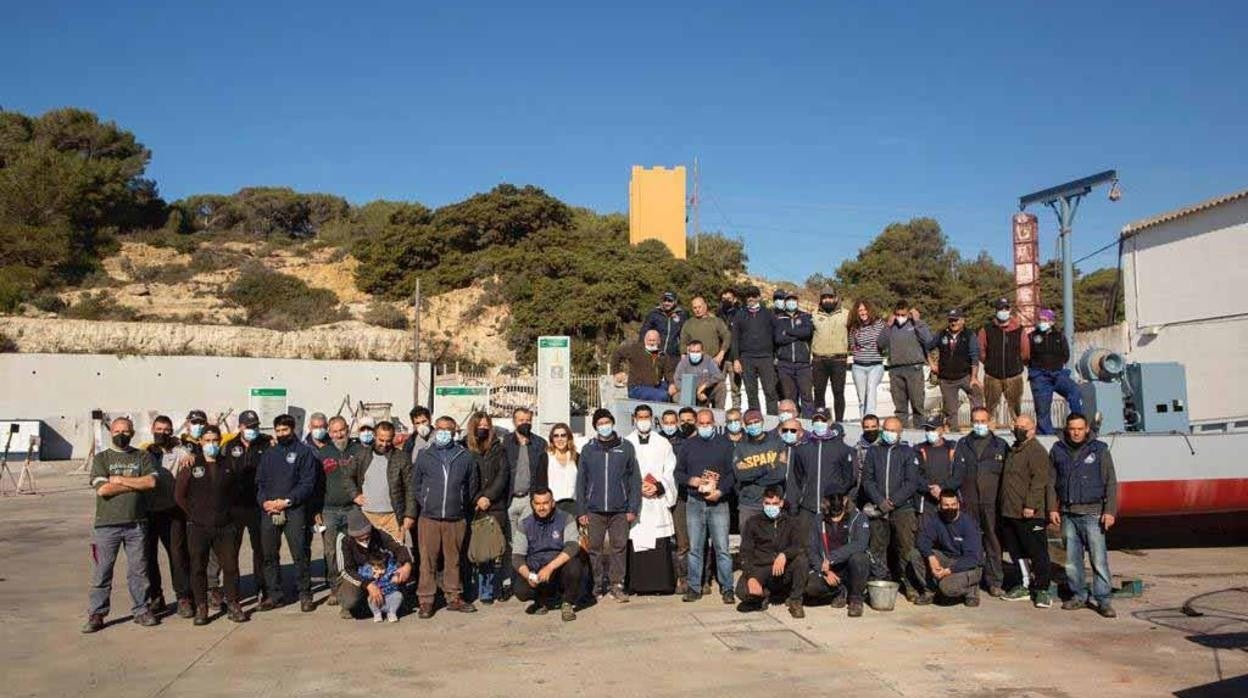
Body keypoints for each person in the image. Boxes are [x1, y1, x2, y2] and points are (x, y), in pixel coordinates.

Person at [82, 417, 160, 633]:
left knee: (138, 571)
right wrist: (135, 484)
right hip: (107, 526)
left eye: (125, 431)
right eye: (117, 431)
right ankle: (97, 613)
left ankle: (141, 610)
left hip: (136, 524)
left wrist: (119, 480)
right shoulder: (102, 458)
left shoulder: (142, 456)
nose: (121, 434)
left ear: (132, 433)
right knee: (102, 571)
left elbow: (151, 482)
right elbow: (102, 490)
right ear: (111, 433)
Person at [1049, 413, 1118, 618]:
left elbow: (1111, 482)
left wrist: (1110, 511)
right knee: (1071, 560)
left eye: (1080, 428)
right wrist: (1052, 508)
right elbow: (1051, 483)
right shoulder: (1057, 450)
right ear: (1066, 429)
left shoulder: (1100, 450)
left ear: (1087, 428)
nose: (1076, 432)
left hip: (1093, 514)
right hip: (1068, 514)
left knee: (1099, 560)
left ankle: (1103, 600)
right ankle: (1078, 595)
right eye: (1072, 428)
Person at [175, 425, 246, 624]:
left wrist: (228, 514)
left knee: (230, 566)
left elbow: (236, 492)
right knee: (198, 567)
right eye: (207, 441)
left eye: (215, 440)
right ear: (201, 442)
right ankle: (201, 607)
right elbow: (180, 496)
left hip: (225, 526)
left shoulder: (228, 464)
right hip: (198, 527)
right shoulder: (191, 464)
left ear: (220, 440)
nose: (211, 444)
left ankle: (233, 603)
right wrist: (195, 514)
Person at [412, 415, 479, 618]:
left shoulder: (465, 456)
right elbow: (416, 485)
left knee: (454, 560)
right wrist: (427, 501)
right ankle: (426, 600)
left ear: (454, 431)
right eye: (439, 428)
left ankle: (454, 597)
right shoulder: (425, 455)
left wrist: (458, 503)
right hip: (429, 518)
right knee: (427, 561)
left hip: (455, 518)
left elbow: (471, 486)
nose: (442, 432)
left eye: (447, 429)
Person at [862, 416, 930, 604]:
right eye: (886, 429)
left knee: (905, 548)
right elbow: (867, 480)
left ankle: (910, 585)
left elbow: (911, 482)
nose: (889, 433)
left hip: (903, 508)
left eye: (893, 430)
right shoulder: (874, 452)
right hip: (878, 508)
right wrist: (880, 501)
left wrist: (893, 502)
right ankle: (880, 584)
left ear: (900, 433)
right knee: (877, 548)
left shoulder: (908, 453)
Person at [576, 409, 641, 602]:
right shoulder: (589, 448)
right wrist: (582, 510)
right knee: (594, 548)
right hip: (594, 509)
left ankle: (616, 584)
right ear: (596, 426)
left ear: (612, 423)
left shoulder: (626, 447)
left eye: (607, 422)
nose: (604, 426)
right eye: (600, 423)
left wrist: (632, 508)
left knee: (618, 548)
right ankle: (596, 584)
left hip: (620, 509)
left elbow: (634, 480)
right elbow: (581, 481)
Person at [256, 413, 318, 612]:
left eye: (285, 430)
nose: (282, 434)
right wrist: (265, 502)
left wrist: (287, 501)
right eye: (278, 430)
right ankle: (275, 595)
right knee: (269, 555)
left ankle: (305, 593)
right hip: (270, 510)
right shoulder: (269, 454)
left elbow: (307, 483)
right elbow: (260, 482)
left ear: (293, 430)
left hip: (294, 509)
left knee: (299, 552)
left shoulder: (304, 452)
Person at [674, 408, 737, 604]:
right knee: (695, 548)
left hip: (719, 503)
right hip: (694, 502)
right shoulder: (688, 445)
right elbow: (678, 473)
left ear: (714, 423)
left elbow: (732, 474)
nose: (704, 426)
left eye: (707, 423)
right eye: (700, 424)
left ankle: (727, 588)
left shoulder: (725, 444)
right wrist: (690, 480)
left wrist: (720, 491)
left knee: (722, 548)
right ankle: (694, 587)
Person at [952, 406, 1009, 597]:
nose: (979, 425)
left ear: (990, 421)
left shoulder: (1000, 445)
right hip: (969, 502)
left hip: (992, 503)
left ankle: (994, 581)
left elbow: (1006, 477)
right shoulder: (963, 443)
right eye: (976, 421)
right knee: (970, 543)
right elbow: (957, 475)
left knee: (993, 542)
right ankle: (970, 583)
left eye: (983, 421)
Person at [216, 410, 270, 605]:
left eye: (255, 426)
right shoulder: (229, 446)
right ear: (240, 427)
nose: (252, 430)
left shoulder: (266, 444)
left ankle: (263, 589)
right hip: (235, 508)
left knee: (261, 551)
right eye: (248, 426)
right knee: (231, 553)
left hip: (258, 506)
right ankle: (233, 594)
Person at [999, 414, 1054, 608]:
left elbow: (1040, 481)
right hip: (1010, 511)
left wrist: (1031, 505)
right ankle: (1024, 584)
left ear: (1033, 429)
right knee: (1017, 552)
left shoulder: (1036, 451)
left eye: (1024, 426)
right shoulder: (1014, 449)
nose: (1019, 429)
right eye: (1017, 425)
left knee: (1037, 552)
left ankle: (1042, 589)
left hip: (1029, 513)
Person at [143, 415, 193, 618]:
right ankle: (156, 597)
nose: (162, 432)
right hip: (149, 512)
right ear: (152, 429)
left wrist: (190, 454)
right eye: (159, 428)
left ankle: (183, 597)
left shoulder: (180, 451)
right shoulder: (145, 452)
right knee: (148, 557)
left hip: (172, 512)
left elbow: (190, 457)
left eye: (166, 429)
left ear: (171, 431)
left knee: (178, 555)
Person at [625, 405, 678, 595]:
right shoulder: (627, 443)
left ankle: (661, 584)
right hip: (637, 500)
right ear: (634, 419)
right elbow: (623, 472)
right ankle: (637, 584)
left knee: (658, 544)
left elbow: (670, 470)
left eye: (647, 417)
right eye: (640, 417)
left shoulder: (663, 443)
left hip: (657, 500)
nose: (643, 420)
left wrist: (658, 486)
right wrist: (636, 487)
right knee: (638, 540)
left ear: (652, 419)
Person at [513, 488, 588, 622]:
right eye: (537, 503)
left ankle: (567, 602)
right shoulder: (525, 524)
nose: (541, 507)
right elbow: (517, 556)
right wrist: (528, 575)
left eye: (545, 503)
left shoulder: (566, 518)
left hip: (558, 568)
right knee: (520, 589)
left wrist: (550, 567)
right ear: (532, 504)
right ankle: (541, 601)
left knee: (575, 566)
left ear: (553, 503)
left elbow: (572, 546)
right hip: (536, 569)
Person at [311, 415, 363, 606]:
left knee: (355, 550)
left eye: (342, 430)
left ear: (348, 430)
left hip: (353, 510)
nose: (339, 434)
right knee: (331, 552)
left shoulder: (359, 451)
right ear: (329, 433)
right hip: (329, 511)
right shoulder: (322, 453)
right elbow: (315, 484)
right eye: (334, 431)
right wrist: (315, 510)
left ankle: (355, 586)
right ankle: (335, 588)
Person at [736, 486, 807, 618]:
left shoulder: (791, 522)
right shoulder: (753, 523)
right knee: (742, 592)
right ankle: (764, 595)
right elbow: (745, 552)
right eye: (767, 503)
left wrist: (784, 554)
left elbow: (798, 545)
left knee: (801, 560)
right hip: (762, 567)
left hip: (783, 569)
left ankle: (795, 600)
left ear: (781, 503)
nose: (771, 507)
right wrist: (751, 576)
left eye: (774, 503)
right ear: (763, 503)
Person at [336, 508, 413, 622]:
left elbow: (399, 547)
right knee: (350, 601)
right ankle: (358, 605)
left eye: (367, 535)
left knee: (402, 573)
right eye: (360, 537)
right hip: (358, 577)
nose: (365, 540)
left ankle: (391, 603)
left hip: (382, 574)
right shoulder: (343, 539)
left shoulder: (378, 531)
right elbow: (345, 570)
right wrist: (368, 585)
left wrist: (407, 565)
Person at [503, 407, 548, 597]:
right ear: (514, 422)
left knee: (528, 543)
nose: (525, 423)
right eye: (521, 420)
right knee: (510, 544)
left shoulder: (539, 443)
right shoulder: (505, 443)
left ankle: (527, 580)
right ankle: (507, 582)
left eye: (528, 420)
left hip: (530, 500)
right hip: (510, 500)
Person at [348, 420, 415, 547]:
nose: (384, 444)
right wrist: (355, 495)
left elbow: (410, 488)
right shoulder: (362, 456)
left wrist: (410, 515)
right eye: (381, 440)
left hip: (393, 517)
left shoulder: (401, 458)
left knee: (397, 552)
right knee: (373, 555)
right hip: (368, 515)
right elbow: (348, 477)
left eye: (388, 441)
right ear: (374, 435)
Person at [466, 412, 509, 604]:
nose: (483, 428)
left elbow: (503, 475)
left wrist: (488, 497)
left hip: (495, 506)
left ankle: (494, 588)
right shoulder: (465, 448)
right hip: (475, 507)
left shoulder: (498, 448)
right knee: (480, 551)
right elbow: (466, 479)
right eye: (479, 425)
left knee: (496, 551)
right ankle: (482, 590)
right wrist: (477, 499)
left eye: (486, 425)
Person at [791, 408, 855, 537]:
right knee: (806, 544)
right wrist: (799, 499)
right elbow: (797, 477)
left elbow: (849, 477)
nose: (819, 423)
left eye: (823, 420)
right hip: (809, 506)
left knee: (833, 544)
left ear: (829, 422)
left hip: (833, 508)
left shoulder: (841, 448)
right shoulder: (802, 448)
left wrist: (837, 495)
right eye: (816, 420)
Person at [806, 494, 871, 617]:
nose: (835, 519)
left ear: (845, 500)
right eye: (833, 515)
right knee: (810, 587)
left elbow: (861, 544)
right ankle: (839, 592)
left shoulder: (859, 517)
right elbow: (812, 549)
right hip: (829, 570)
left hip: (849, 568)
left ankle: (856, 599)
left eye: (838, 514)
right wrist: (824, 571)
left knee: (859, 558)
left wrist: (832, 558)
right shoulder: (819, 519)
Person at [918, 489, 985, 606]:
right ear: (940, 506)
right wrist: (931, 557)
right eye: (946, 505)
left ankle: (971, 590)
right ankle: (930, 591)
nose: (950, 508)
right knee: (916, 555)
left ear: (958, 504)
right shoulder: (936, 519)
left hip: (969, 566)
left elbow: (973, 557)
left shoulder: (968, 524)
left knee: (947, 587)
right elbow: (922, 539)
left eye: (954, 504)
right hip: (947, 558)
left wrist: (948, 571)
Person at [877, 301, 934, 428]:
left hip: (914, 368)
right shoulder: (890, 327)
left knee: (917, 405)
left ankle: (919, 432)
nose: (900, 317)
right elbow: (880, 343)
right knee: (900, 408)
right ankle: (902, 434)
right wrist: (888, 325)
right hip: (895, 370)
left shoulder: (916, 324)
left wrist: (918, 321)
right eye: (897, 314)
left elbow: (929, 340)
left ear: (909, 313)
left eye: (903, 315)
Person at [1028, 309, 1083, 435]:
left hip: (1058, 374)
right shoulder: (1031, 336)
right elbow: (1025, 355)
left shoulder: (1059, 336)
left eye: (1045, 320)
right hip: (1040, 376)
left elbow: (1066, 354)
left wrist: (1057, 366)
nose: (1042, 322)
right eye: (1040, 320)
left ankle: (1076, 422)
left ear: (1052, 322)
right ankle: (1046, 433)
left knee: (1074, 391)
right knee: (1042, 408)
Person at [732, 410, 788, 529]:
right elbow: (741, 475)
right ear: (745, 426)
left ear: (762, 422)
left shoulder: (776, 442)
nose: (753, 425)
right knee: (748, 543)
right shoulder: (741, 447)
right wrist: (767, 467)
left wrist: (753, 475)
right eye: (749, 423)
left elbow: (780, 474)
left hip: (773, 502)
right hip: (749, 504)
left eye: (756, 421)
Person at [979, 298, 1030, 426]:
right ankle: (988, 433)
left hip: (1014, 376)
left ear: (1010, 310)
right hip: (992, 376)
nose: (1003, 311)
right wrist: (990, 363)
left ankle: (1019, 432)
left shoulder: (1019, 330)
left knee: (1016, 408)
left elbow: (1025, 352)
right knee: (990, 408)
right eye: (1000, 308)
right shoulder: (986, 329)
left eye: (1006, 308)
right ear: (996, 311)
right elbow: (981, 351)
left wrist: (1016, 363)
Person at [930, 308, 983, 430]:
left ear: (962, 321)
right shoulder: (941, 334)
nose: (953, 323)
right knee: (951, 410)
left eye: (956, 320)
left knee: (977, 395)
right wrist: (931, 364)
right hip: (946, 379)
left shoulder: (969, 335)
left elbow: (974, 356)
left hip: (965, 376)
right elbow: (928, 347)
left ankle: (977, 425)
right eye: (951, 320)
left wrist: (974, 377)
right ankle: (953, 431)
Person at [733, 286, 780, 415]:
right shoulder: (740, 314)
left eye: (754, 295)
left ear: (759, 297)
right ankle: (755, 419)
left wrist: (776, 355)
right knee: (751, 392)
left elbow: (777, 335)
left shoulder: (769, 313)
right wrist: (736, 359)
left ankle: (773, 421)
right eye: (748, 296)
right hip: (747, 359)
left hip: (766, 358)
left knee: (770, 391)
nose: (751, 298)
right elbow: (735, 338)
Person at [773, 290, 815, 416]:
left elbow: (807, 332)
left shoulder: (805, 316)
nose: (791, 302)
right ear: (785, 302)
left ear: (797, 301)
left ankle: (807, 424)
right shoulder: (778, 319)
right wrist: (797, 333)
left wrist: (789, 332)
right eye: (789, 300)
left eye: (794, 300)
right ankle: (793, 424)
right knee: (790, 398)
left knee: (807, 396)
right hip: (785, 365)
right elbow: (778, 339)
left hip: (804, 365)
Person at [811, 288, 851, 422]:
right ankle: (820, 421)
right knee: (818, 392)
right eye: (824, 297)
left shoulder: (846, 314)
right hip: (819, 360)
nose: (827, 300)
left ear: (835, 298)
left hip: (839, 360)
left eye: (830, 297)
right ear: (821, 299)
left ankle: (839, 422)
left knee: (838, 392)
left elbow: (854, 333)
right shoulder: (814, 314)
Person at [916, 415, 962, 520]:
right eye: (927, 429)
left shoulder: (953, 447)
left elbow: (958, 475)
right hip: (926, 503)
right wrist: (930, 488)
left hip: (949, 502)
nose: (929, 432)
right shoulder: (918, 449)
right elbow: (915, 475)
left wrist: (942, 489)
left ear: (942, 430)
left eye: (933, 429)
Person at [848, 300, 887, 420]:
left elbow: (885, 340)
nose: (863, 313)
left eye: (865, 310)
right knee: (861, 397)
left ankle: (871, 421)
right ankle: (863, 423)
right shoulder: (855, 327)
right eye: (860, 310)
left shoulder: (879, 323)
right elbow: (852, 344)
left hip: (875, 365)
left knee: (870, 391)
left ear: (870, 310)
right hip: (858, 366)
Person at [612, 329, 675, 402]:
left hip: (655, 386)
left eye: (654, 340)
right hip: (637, 388)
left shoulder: (663, 355)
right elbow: (617, 354)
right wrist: (617, 372)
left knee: (677, 390)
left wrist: (672, 384)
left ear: (659, 341)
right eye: (649, 340)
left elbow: (669, 372)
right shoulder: (635, 349)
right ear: (645, 340)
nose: (651, 343)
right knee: (663, 395)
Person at [670, 339, 727, 408]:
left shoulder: (708, 360)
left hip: (706, 391)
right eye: (692, 351)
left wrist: (705, 386)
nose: (695, 354)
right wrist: (695, 392)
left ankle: (719, 412)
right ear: (688, 352)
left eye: (697, 351)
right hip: (688, 392)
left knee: (721, 386)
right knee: (676, 397)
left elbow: (719, 376)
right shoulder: (683, 362)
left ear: (702, 351)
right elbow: (677, 380)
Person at [679, 295, 732, 366]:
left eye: (699, 307)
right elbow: (683, 342)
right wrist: (683, 358)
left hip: (712, 362)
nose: (697, 310)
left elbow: (727, 337)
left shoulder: (716, 321)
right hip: (693, 363)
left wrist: (721, 354)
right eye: (695, 308)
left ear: (705, 306)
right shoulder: (688, 324)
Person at [717, 287, 744, 409]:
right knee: (718, 387)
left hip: (735, 357)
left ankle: (736, 412)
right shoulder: (718, 314)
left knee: (735, 389)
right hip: (720, 356)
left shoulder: (741, 313)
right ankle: (717, 410)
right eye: (723, 299)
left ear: (735, 299)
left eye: (729, 298)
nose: (726, 301)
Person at [640, 290, 686, 357]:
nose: (667, 303)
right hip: (655, 352)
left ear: (675, 302)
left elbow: (684, 335)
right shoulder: (654, 314)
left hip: (673, 355)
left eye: (670, 301)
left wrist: (683, 352)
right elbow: (644, 332)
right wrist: (641, 348)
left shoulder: (681, 315)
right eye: (665, 300)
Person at [545, 424, 579, 516]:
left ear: (569, 438)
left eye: (563, 435)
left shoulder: (577, 457)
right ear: (552, 439)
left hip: (573, 507)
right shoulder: (546, 457)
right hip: (553, 506)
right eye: (556, 436)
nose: (560, 439)